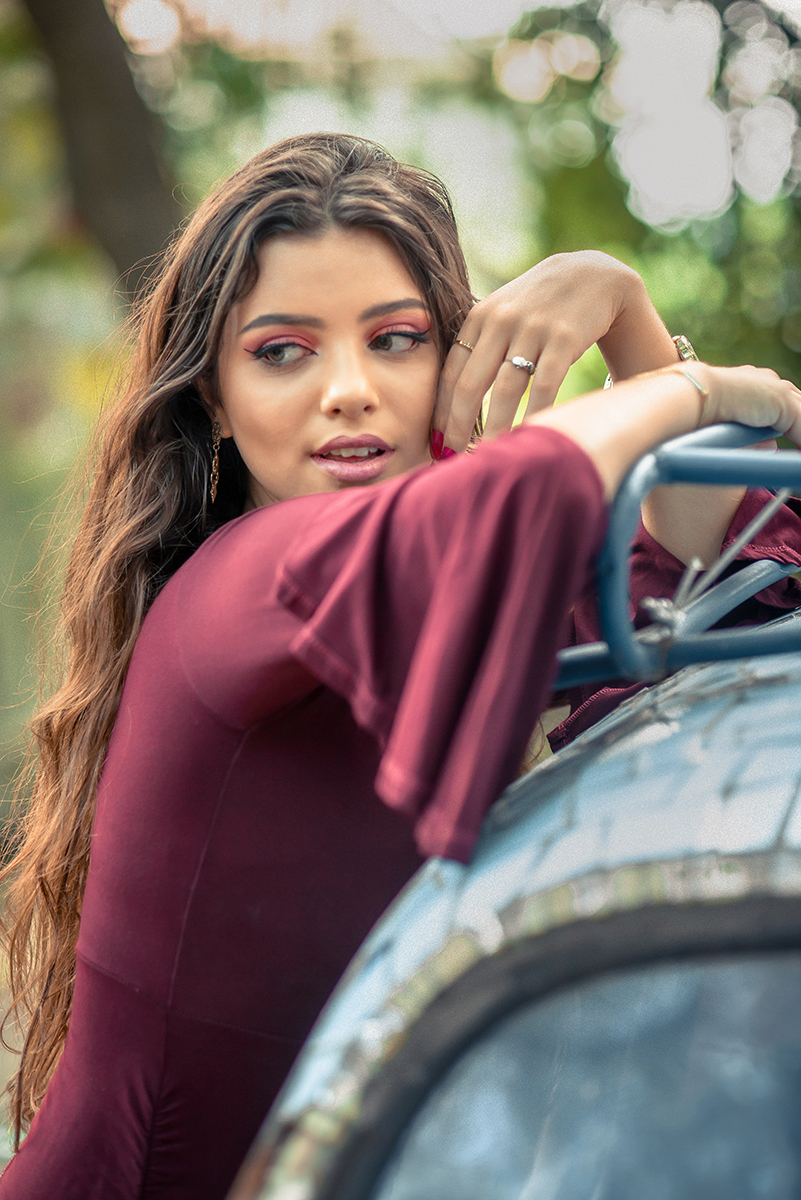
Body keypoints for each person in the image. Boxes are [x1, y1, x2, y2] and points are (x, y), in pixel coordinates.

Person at [2, 132, 801, 1200]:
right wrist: (727, 387)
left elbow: (725, 568)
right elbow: (529, 487)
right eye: (283, 350)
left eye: (397, 339)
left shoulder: (452, 593)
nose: (349, 391)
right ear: (214, 402)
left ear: (457, 362)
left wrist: (633, 319)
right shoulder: (246, 586)